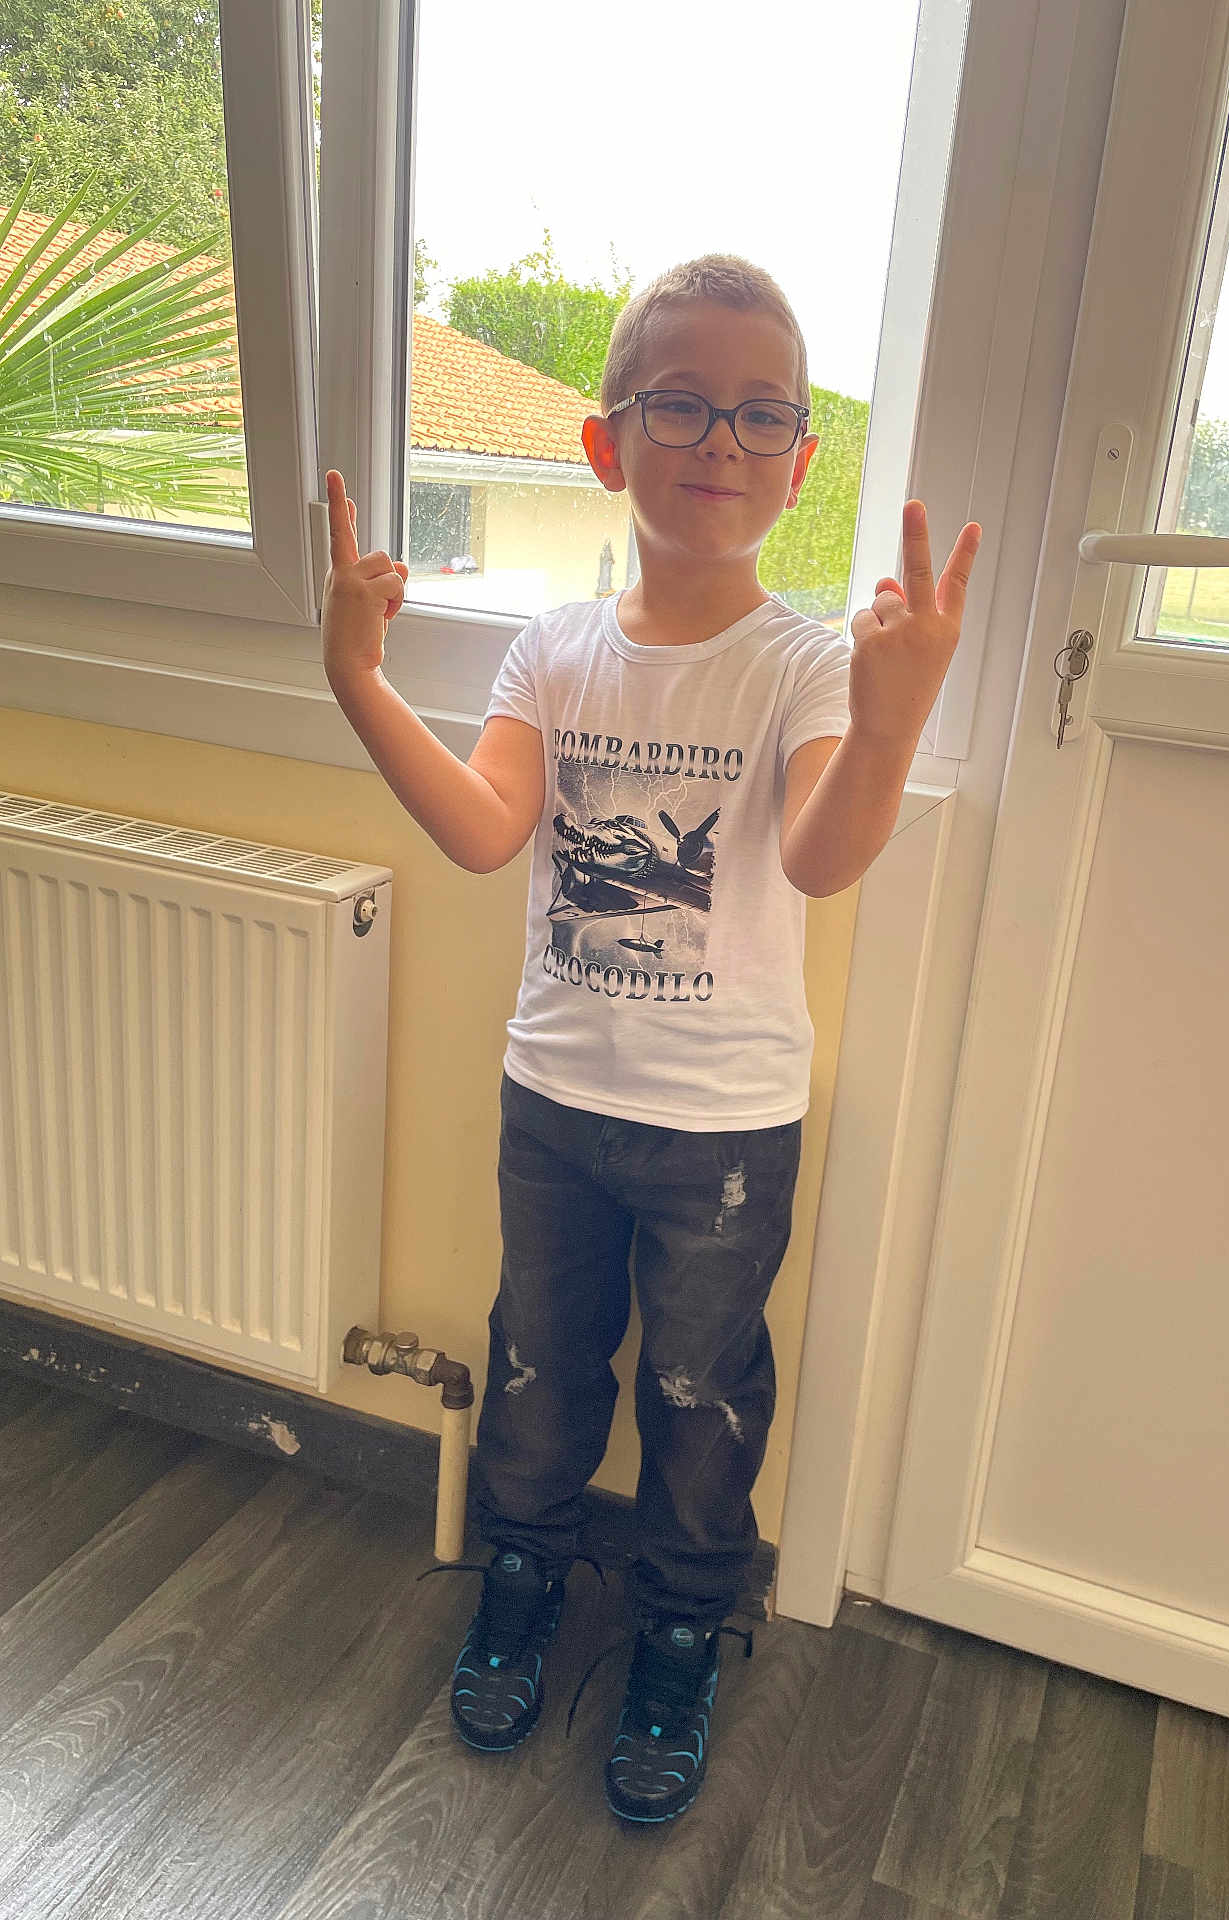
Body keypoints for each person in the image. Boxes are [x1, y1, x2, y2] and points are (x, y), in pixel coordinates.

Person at [322, 255, 981, 1824]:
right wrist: (352, 676)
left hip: (724, 1130)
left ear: (801, 464)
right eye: (681, 404)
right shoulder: (553, 648)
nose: (721, 441)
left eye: (762, 415)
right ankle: (525, 1577)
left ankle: (683, 1628)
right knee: (541, 1363)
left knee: (700, 1390)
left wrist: (894, 717)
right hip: (553, 1099)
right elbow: (484, 829)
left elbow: (821, 858)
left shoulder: (805, 665)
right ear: (607, 441)